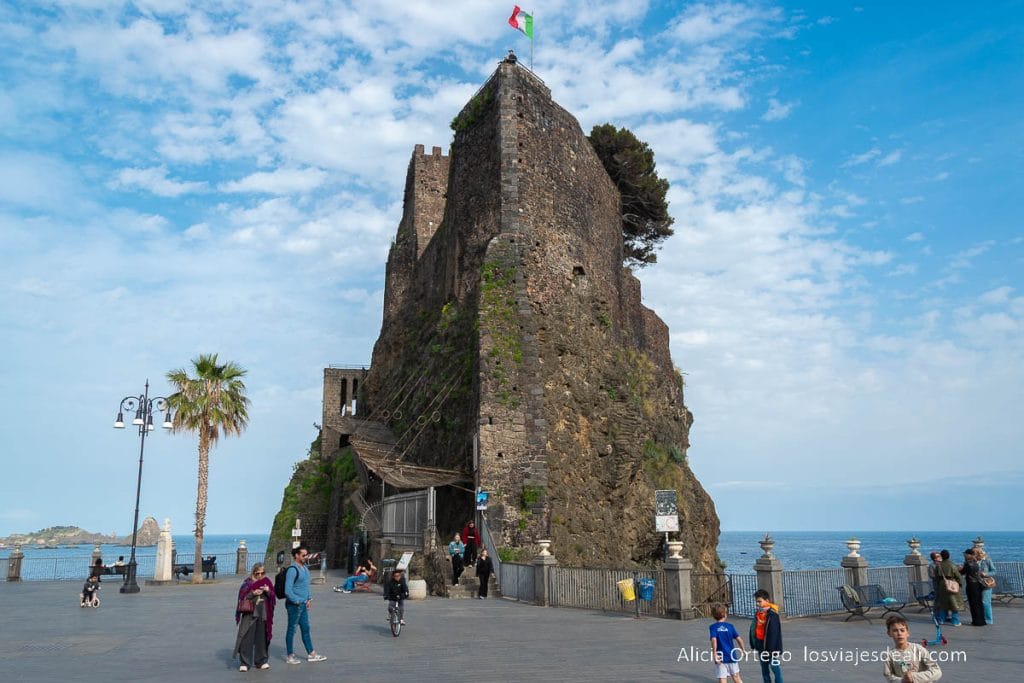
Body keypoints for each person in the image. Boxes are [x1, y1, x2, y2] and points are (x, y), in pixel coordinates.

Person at [283, 545, 327, 665]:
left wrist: (309, 598)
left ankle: (311, 653)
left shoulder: (305, 568)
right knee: (292, 630)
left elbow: (306, 586)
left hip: (303, 604)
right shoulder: (292, 570)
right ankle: (290, 655)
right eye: (303, 555)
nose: (305, 557)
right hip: (294, 605)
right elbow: (288, 590)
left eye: (306, 555)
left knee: (306, 629)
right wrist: (296, 601)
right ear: (296, 555)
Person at [233, 563, 276, 672]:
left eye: (262, 573)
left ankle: (261, 661)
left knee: (261, 638)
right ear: (253, 573)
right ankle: (245, 663)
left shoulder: (267, 582)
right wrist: (253, 593)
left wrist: (268, 591)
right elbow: (242, 597)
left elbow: (273, 597)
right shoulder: (247, 583)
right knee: (246, 637)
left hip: (263, 614)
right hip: (250, 614)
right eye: (258, 573)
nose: (260, 575)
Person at [882, 614, 942, 682]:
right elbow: (888, 676)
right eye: (895, 631)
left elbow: (937, 671)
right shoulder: (889, 655)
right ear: (889, 633)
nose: (899, 633)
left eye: (902, 630)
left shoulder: (918, 649)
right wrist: (902, 680)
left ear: (907, 633)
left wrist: (914, 677)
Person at [748, 589, 783, 683]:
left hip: (770, 646)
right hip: (760, 644)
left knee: (774, 667)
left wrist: (770, 650)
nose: (757, 604)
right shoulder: (758, 613)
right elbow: (753, 629)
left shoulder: (773, 615)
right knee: (764, 668)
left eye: (759, 601)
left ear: (767, 601)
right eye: (756, 601)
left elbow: (774, 633)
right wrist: (753, 642)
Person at [709, 603, 745, 683]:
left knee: (722, 679)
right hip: (732, 656)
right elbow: (739, 639)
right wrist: (743, 650)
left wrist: (714, 653)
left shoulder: (713, 627)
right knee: (736, 677)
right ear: (723, 614)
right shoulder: (730, 626)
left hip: (720, 657)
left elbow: (714, 640)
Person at [934, 549, 963, 626]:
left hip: (942, 585)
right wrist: (959, 584)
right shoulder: (952, 565)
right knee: (954, 603)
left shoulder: (938, 566)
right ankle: (955, 621)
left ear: (942, 556)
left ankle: (941, 620)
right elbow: (958, 576)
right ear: (949, 556)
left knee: (943, 603)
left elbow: (936, 577)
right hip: (951, 584)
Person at [959, 548, 986, 626]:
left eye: (965, 554)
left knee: (973, 603)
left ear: (968, 555)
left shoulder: (968, 563)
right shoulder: (975, 563)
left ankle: (976, 621)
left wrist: (959, 569)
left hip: (971, 585)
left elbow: (962, 572)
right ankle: (982, 620)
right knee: (979, 603)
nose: (964, 555)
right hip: (977, 584)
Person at [975, 548, 996, 625]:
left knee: (985, 602)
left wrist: (985, 574)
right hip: (977, 583)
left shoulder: (987, 560)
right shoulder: (975, 561)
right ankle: (981, 618)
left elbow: (994, 571)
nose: (978, 555)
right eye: (977, 554)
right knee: (978, 602)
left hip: (986, 584)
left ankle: (988, 619)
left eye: (980, 553)